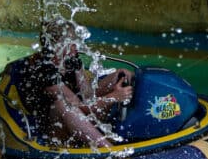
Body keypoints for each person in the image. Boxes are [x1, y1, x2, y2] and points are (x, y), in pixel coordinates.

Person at [16, 19, 134, 150]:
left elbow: (88, 96)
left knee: (119, 74)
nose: (76, 46)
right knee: (61, 104)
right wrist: (114, 97)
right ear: (56, 45)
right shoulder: (44, 71)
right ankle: (109, 149)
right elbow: (79, 109)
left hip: (81, 122)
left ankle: (108, 134)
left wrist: (116, 78)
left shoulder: (71, 60)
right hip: (56, 131)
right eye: (71, 43)